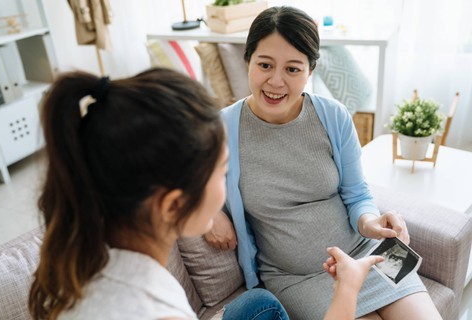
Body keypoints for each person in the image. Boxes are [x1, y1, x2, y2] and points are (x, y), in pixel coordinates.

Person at [27, 67, 380, 320]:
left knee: (256, 304)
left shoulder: (86, 254)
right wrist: (346, 291)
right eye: (223, 170)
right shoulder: (154, 308)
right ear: (173, 204)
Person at [205, 6, 443, 320]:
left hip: (368, 253)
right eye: (265, 65)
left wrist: (372, 223)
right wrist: (210, 215)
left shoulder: (333, 115)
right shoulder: (222, 128)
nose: (276, 81)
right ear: (248, 60)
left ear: (310, 70)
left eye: (292, 69)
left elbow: (357, 193)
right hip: (298, 277)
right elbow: (162, 171)